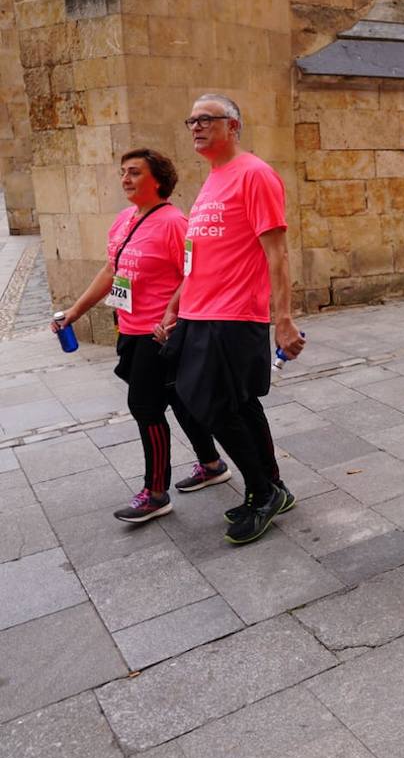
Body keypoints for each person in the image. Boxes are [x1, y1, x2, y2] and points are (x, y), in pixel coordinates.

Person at [53, 149, 230, 523]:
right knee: (179, 401)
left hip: (158, 334)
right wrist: (74, 311)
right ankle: (212, 464)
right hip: (130, 330)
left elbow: (196, 273)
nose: (125, 179)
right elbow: (110, 271)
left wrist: (174, 316)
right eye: (123, 172)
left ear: (158, 180)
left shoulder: (173, 223)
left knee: (145, 408)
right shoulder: (123, 220)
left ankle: (155, 492)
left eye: (135, 172)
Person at [164, 94, 303, 545]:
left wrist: (282, 319)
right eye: (192, 120)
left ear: (234, 126)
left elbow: (277, 252)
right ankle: (272, 488)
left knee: (213, 405)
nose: (196, 127)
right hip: (198, 312)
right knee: (237, 405)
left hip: (232, 314)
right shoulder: (213, 179)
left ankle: (262, 492)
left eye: (207, 119)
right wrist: (176, 304)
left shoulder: (255, 174)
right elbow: (198, 255)